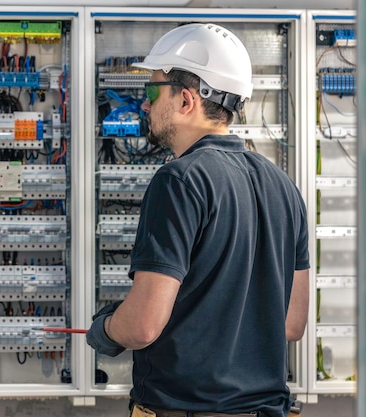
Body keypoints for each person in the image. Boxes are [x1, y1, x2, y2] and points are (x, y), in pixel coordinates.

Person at [86, 23, 310, 417]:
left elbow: (142, 326)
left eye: (152, 92)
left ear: (187, 100)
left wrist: (105, 329)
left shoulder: (179, 180)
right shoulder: (284, 187)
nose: (144, 105)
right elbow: (291, 324)